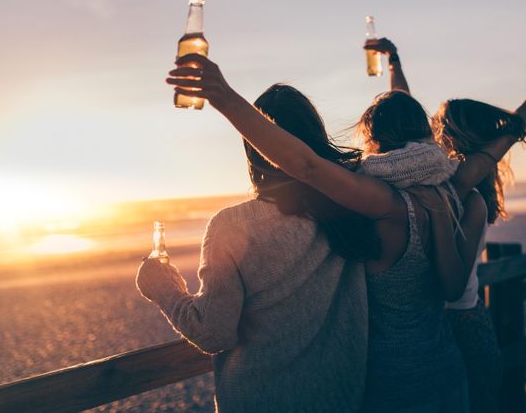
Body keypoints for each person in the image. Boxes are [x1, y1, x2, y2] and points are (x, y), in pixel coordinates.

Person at [163, 45, 526, 410]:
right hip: (446, 372)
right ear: (424, 134)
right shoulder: (447, 186)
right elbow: (497, 144)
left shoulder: (378, 200)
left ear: (374, 139)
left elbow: (307, 166)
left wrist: (225, 98)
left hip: (389, 387)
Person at [135, 83, 380, 413]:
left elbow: (213, 334)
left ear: (254, 147)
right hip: (340, 397)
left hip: (261, 399)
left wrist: (164, 289)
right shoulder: (352, 205)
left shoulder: (233, 226)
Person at [365, 38, 526, 413]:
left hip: (457, 322)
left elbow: (508, 134)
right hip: (452, 322)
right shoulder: (450, 181)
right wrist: (393, 60)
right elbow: (407, 112)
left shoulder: (454, 186)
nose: (432, 133)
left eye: (438, 127)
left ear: (450, 136)